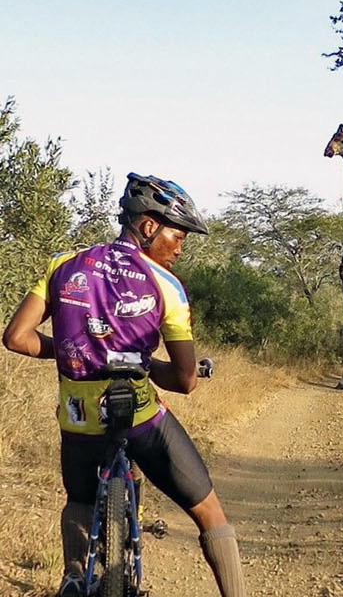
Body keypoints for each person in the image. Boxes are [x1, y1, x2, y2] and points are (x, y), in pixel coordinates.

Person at [2, 173, 247, 597]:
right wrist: (144, 363)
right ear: (149, 226)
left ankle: (75, 579)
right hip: (139, 419)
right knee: (210, 512)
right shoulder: (167, 286)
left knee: (79, 500)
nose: (181, 247)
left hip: (78, 420)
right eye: (178, 235)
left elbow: (16, 338)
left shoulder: (63, 265)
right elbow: (186, 380)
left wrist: (73, 349)